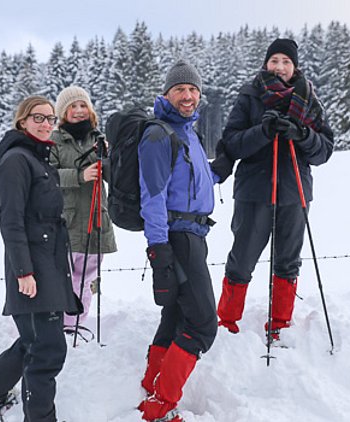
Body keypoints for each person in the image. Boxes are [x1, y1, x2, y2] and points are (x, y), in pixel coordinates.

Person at [0, 96, 80, 422]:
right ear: (22, 121)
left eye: (50, 119)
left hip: (48, 264)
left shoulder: (39, 159)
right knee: (48, 349)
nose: (45, 124)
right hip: (32, 268)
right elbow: (11, 221)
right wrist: (24, 271)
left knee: (34, 341)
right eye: (38, 117)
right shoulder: (16, 161)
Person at [214, 39, 335, 341]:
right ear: (266, 63)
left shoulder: (308, 99)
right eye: (274, 60)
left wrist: (302, 134)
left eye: (285, 61)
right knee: (241, 259)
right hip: (254, 192)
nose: (279, 67)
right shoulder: (251, 94)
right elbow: (232, 142)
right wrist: (263, 132)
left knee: (287, 261)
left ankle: (280, 324)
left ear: (294, 66)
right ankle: (226, 322)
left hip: (294, 192)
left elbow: (324, 151)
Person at [137, 59, 221, 422]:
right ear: (167, 94)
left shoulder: (189, 133)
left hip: (195, 234)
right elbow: (152, 195)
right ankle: (161, 406)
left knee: (176, 316)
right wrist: (159, 249)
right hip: (176, 237)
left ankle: (151, 387)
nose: (187, 96)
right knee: (203, 323)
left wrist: (227, 163)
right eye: (180, 89)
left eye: (192, 90)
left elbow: (196, 183)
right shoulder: (159, 134)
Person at [49, 86, 117, 338]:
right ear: (62, 113)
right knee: (65, 276)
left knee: (88, 279)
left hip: (97, 220)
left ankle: (77, 325)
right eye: (72, 107)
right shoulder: (54, 141)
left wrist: (110, 158)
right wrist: (79, 175)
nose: (79, 111)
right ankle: (60, 325)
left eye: (83, 106)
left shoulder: (99, 139)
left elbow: (114, 177)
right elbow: (48, 175)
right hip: (67, 221)